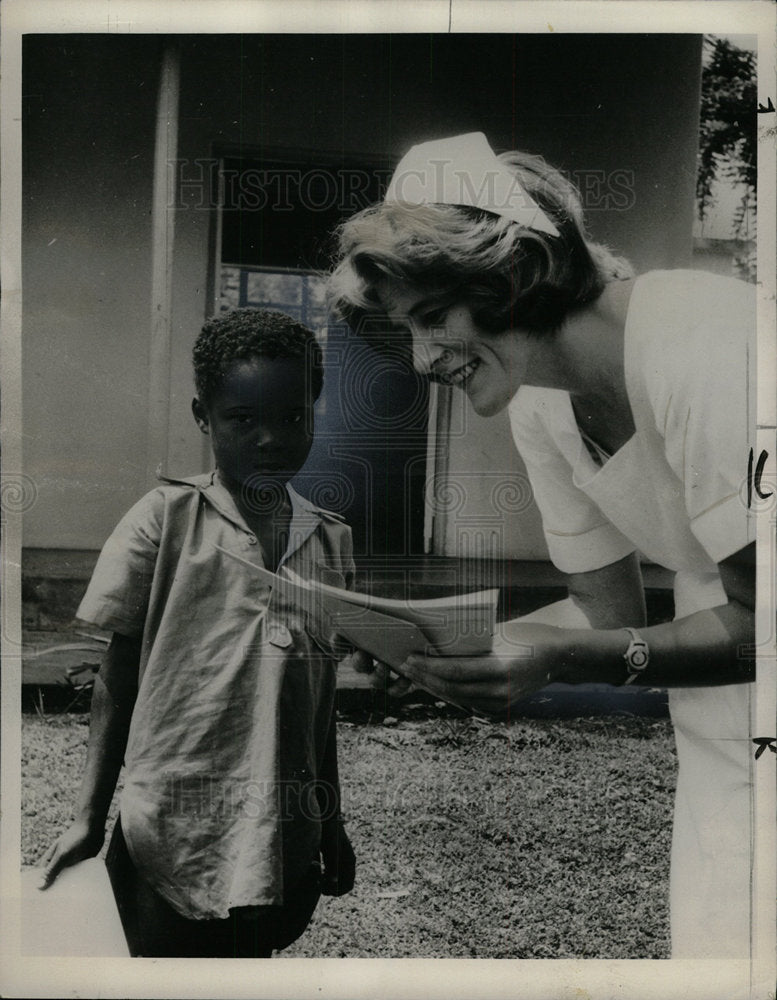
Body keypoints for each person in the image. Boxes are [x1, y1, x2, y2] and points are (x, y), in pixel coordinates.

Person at [327, 132, 756, 958]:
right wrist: (442, 649)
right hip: (723, 725)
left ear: (514, 273)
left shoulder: (705, 349)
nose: (421, 360)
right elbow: (607, 618)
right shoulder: (540, 399)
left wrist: (557, 657)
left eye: (430, 319)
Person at [38, 309, 357, 957]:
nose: (270, 439)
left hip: (280, 832)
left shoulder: (329, 539)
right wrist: (87, 818)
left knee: (247, 969)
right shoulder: (165, 521)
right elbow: (116, 678)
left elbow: (319, 704)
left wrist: (331, 824)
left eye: (292, 418)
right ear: (202, 416)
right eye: (243, 420)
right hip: (172, 831)